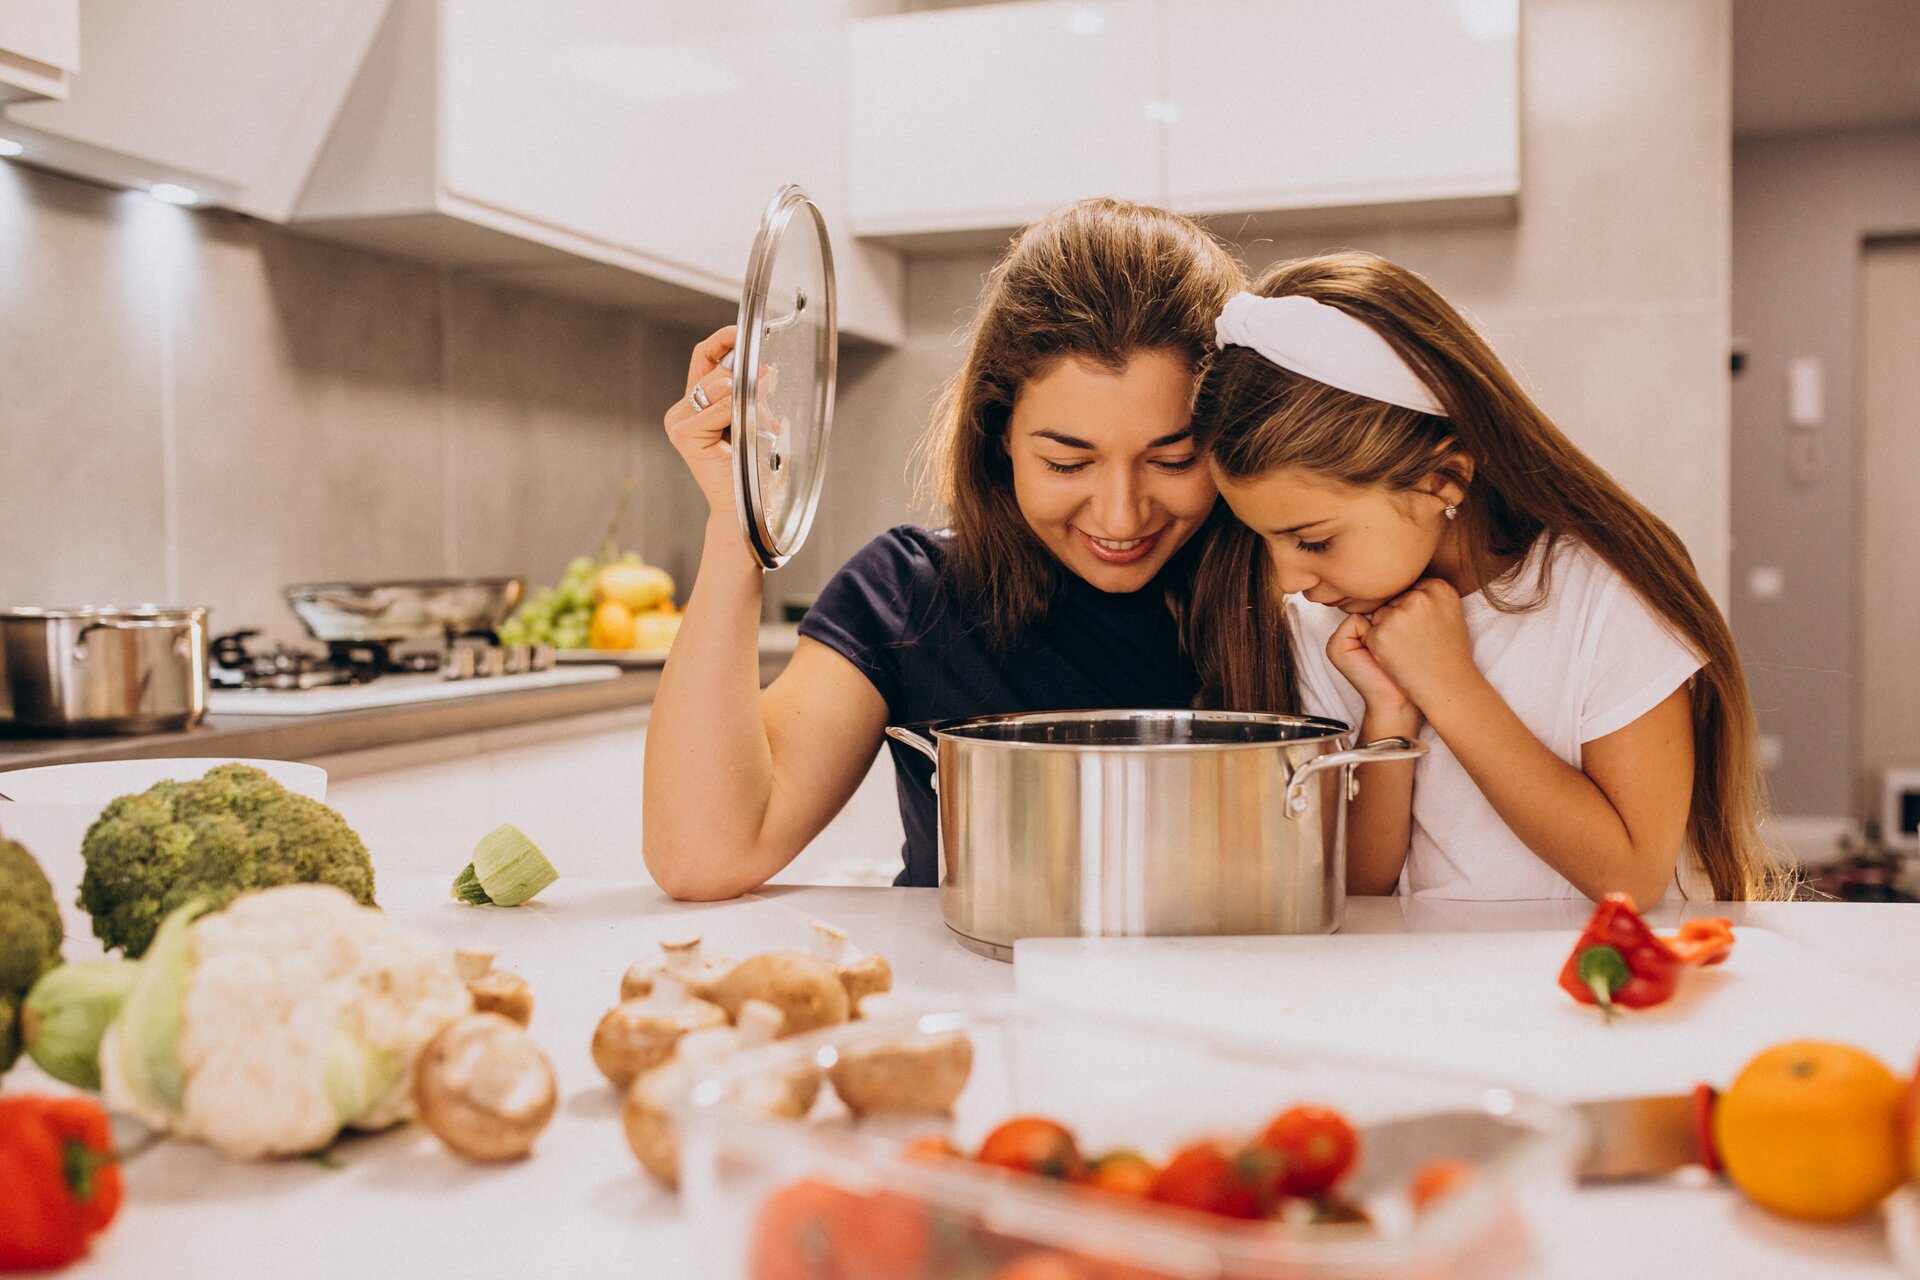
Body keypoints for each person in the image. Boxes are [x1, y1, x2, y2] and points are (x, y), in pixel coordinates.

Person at [644, 199, 1246, 898]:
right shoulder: (909, 594)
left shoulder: (1299, 594)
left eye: (1172, 461)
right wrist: (736, 517)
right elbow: (704, 855)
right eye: (1067, 463)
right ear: (1001, 436)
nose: (1121, 513)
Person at [1187, 250, 1780, 903]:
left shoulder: (1604, 595)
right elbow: (1354, 888)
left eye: (1314, 539)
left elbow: (1631, 878)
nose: (1290, 578)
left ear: (1445, 479)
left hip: (1603, 994)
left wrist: (1450, 687)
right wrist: (1390, 715)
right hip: (1433, 994)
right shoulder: (1330, 630)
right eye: (1265, 539)